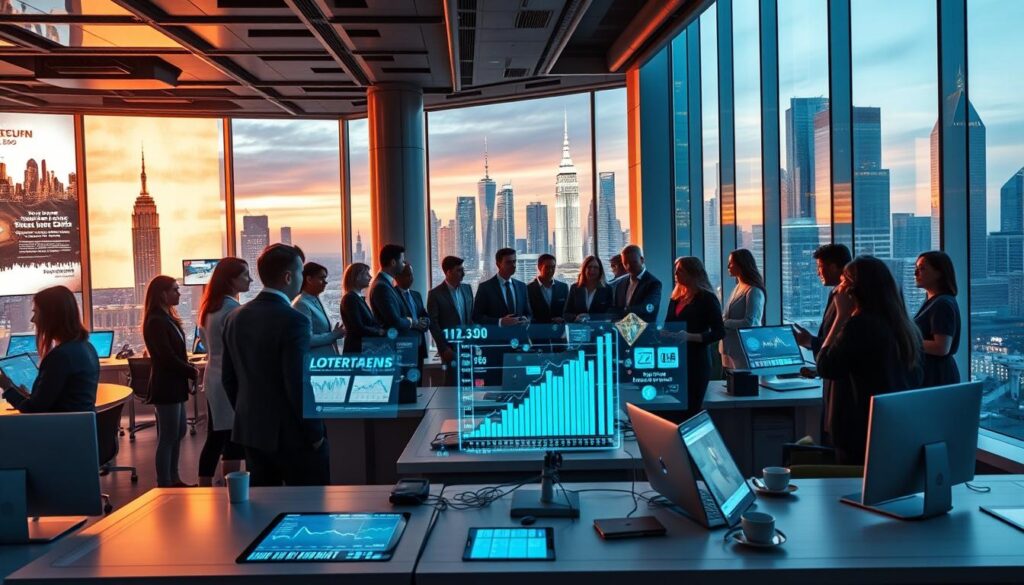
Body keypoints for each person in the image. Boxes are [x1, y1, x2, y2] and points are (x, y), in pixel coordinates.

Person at [222, 244, 329, 486]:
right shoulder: (294, 320)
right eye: (301, 272)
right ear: (288, 277)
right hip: (293, 436)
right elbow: (297, 382)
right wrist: (315, 434)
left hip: (252, 432)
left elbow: (229, 378)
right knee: (309, 510)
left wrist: (248, 415)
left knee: (262, 510)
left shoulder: (235, 317)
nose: (303, 279)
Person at [816, 256, 923, 465]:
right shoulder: (904, 327)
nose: (839, 288)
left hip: (858, 431)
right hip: (890, 427)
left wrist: (841, 316)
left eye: (844, 282)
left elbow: (825, 366)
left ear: (855, 290)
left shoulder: (859, 326)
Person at [196, 257, 251, 487]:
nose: (249, 279)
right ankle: (228, 486)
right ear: (231, 280)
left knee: (219, 434)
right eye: (245, 275)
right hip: (230, 379)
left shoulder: (209, 308)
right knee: (229, 437)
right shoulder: (233, 309)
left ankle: (207, 485)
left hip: (213, 376)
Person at [0, 286, 98, 413]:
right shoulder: (87, 348)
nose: (32, 319)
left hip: (58, 430)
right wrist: (30, 396)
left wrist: (7, 387)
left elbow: (33, 410)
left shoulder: (60, 357)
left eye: (36, 312)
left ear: (51, 316)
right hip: (77, 429)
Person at [793, 243, 852, 448]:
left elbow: (840, 346)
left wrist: (809, 342)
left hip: (842, 395)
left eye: (821, 266)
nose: (818, 272)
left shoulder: (846, 301)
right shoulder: (836, 295)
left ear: (836, 267)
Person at [143, 275, 199, 488]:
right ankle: (164, 483)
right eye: (175, 289)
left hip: (175, 384)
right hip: (166, 386)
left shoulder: (167, 317)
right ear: (162, 294)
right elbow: (166, 357)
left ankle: (174, 478)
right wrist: (190, 370)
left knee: (179, 432)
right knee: (168, 436)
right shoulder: (156, 320)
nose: (179, 293)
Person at [664, 257, 725, 414]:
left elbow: (719, 332)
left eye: (680, 271)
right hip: (675, 361)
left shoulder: (707, 298)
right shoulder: (676, 298)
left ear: (693, 273)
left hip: (696, 363)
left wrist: (690, 336)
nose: (675, 273)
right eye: (675, 270)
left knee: (690, 410)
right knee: (673, 410)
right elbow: (668, 324)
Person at [913, 251, 961, 387]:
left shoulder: (942, 304)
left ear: (939, 273)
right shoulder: (934, 301)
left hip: (937, 377)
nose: (916, 273)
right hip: (933, 374)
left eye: (922, 268)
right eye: (916, 268)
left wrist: (906, 341)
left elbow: (941, 347)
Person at [428, 255, 474, 385]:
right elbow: (434, 324)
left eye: (463, 270)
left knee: (469, 382)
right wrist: (443, 348)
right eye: (459, 270)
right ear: (448, 272)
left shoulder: (467, 289)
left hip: (468, 345)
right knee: (451, 384)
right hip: (450, 349)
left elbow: (471, 317)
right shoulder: (435, 294)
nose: (463, 274)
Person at [370, 244, 429, 336]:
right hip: (394, 343)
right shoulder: (382, 287)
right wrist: (413, 322)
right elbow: (394, 321)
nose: (404, 264)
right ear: (393, 262)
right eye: (402, 261)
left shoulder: (385, 284)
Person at [720, 249, 765, 369]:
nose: (728, 266)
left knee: (742, 384)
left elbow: (750, 323)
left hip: (743, 350)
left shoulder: (753, 291)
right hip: (729, 348)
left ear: (741, 265)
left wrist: (725, 323)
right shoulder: (738, 287)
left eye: (731, 263)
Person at [292, 261, 344, 358]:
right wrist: (334, 335)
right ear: (309, 279)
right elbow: (307, 339)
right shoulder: (301, 304)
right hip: (315, 361)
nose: (325, 282)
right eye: (322, 278)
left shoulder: (316, 299)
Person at [473, 247, 532, 325]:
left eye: (514, 261)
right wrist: (500, 322)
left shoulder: (522, 286)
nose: (513, 265)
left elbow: (529, 313)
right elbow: (476, 317)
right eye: (508, 262)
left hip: (519, 335)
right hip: (497, 335)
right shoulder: (485, 288)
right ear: (498, 264)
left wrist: (526, 319)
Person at [340, 262, 386, 354]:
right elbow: (358, 328)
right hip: (356, 350)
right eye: (366, 274)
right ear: (357, 277)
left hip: (361, 348)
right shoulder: (350, 298)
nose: (370, 277)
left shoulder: (357, 298)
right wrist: (379, 332)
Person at [395, 261, 430, 374]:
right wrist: (415, 323)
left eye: (412, 275)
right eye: (407, 275)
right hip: (404, 347)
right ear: (397, 276)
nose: (411, 278)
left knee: (418, 383)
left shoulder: (416, 295)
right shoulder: (393, 295)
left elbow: (424, 314)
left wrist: (426, 322)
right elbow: (396, 320)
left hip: (419, 345)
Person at [613, 244, 662, 322]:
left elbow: (647, 309)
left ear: (642, 260)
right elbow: (616, 310)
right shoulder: (620, 283)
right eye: (625, 263)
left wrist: (624, 311)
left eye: (633, 262)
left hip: (644, 331)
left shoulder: (653, 283)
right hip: (621, 330)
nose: (629, 266)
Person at [564, 255, 614, 322]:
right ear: (584, 269)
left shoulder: (607, 289)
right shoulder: (575, 288)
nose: (592, 270)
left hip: (599, 329)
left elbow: (610, 314)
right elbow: (566, 313)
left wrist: (592, 317)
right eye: (589, 267)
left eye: (595, 267)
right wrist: (575, 318)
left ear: (600, 271)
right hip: (579, 329)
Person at [527, 253, 569, 324]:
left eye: (553, 267)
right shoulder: (528, 289)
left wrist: (563, 319)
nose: (550, 270)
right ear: (539, 267)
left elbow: (568, 311)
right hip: (537, 331)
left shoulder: (563, 287)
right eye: (547, 267)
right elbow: (528, 314)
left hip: (560, 331)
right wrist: (550, 320)